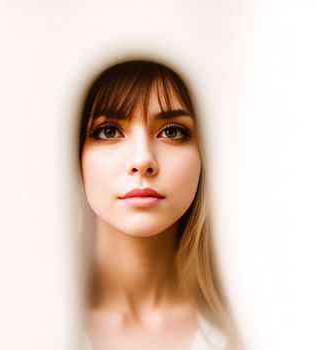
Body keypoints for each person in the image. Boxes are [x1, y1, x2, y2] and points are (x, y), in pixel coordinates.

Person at [78, 59, 240, 350]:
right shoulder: (14, 322)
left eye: (172, 131)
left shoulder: (254, 324)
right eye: (108, 131)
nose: (143, 160)